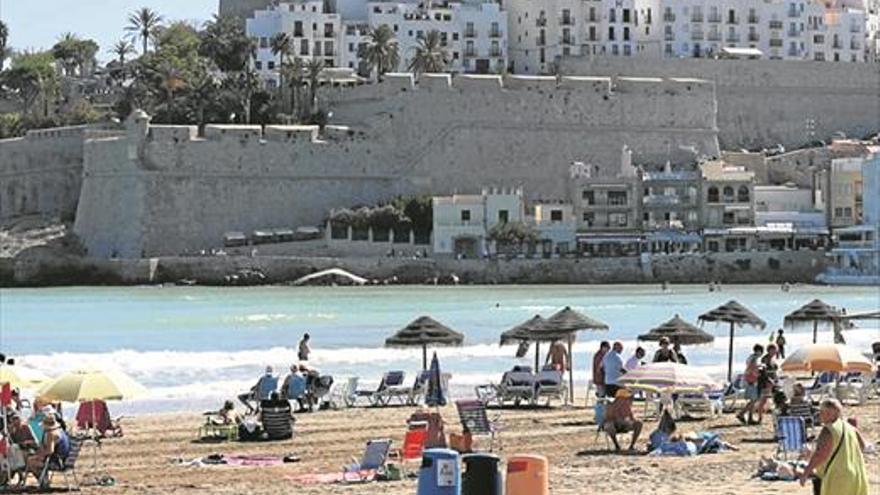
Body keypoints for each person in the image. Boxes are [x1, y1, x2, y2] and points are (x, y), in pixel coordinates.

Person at [799, 398, 869, 495]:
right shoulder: (850, 428)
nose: (820, 415)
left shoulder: (828, 430)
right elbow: (862, 446)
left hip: (837, 477)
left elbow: (820, 454)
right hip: (856, 475)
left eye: (821, 412)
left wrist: (806, 472)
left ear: (827, 413)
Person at [25, 414, 70, 485]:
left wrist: (39, 455)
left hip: (57, 461)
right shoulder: (59, 431)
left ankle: (43, 481)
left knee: (30, 461)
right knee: (32, 459)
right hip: (64, 458)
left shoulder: (51, 434)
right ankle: (43, 480)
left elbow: (50, 451)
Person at [737, 344, 764, 425]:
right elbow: (752, 368)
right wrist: (759, 371)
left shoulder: (751, 357)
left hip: (749, 380)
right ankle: (742, 414)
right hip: (751, 380)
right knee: (754, 399)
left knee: (753, 399)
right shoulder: (754, 358)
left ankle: (749, 417)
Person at [753, 343, 779, 424]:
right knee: (763, 400)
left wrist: (776, 378)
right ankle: (760, 418)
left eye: (775, 350)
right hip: (766, 382)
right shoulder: (765, 359)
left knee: (775, 399)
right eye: (773, 350)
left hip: (772, 381)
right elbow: (763, 372)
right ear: (769, 350)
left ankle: (776, 417)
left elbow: (774, 371)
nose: (775, 352)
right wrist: (769, 379)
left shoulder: (772, 359)